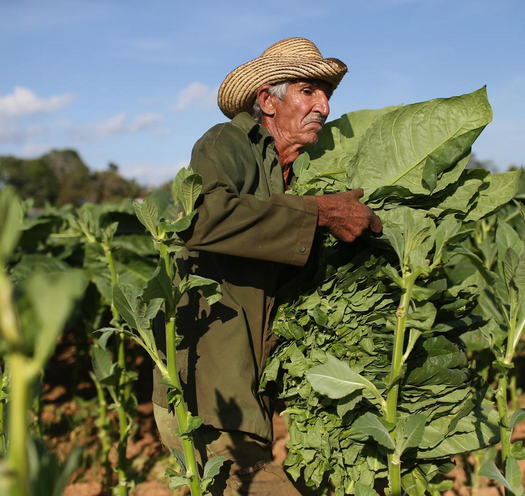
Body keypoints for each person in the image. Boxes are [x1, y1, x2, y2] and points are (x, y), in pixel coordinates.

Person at [152, 37, 382, 495]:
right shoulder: (226, 144)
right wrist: (319, 213)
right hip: (207, 395)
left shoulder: (306, 174)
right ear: (267, 101)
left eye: (327, 94)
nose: (324, 106)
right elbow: (204, 219)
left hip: (255, 397)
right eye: (308, 91)